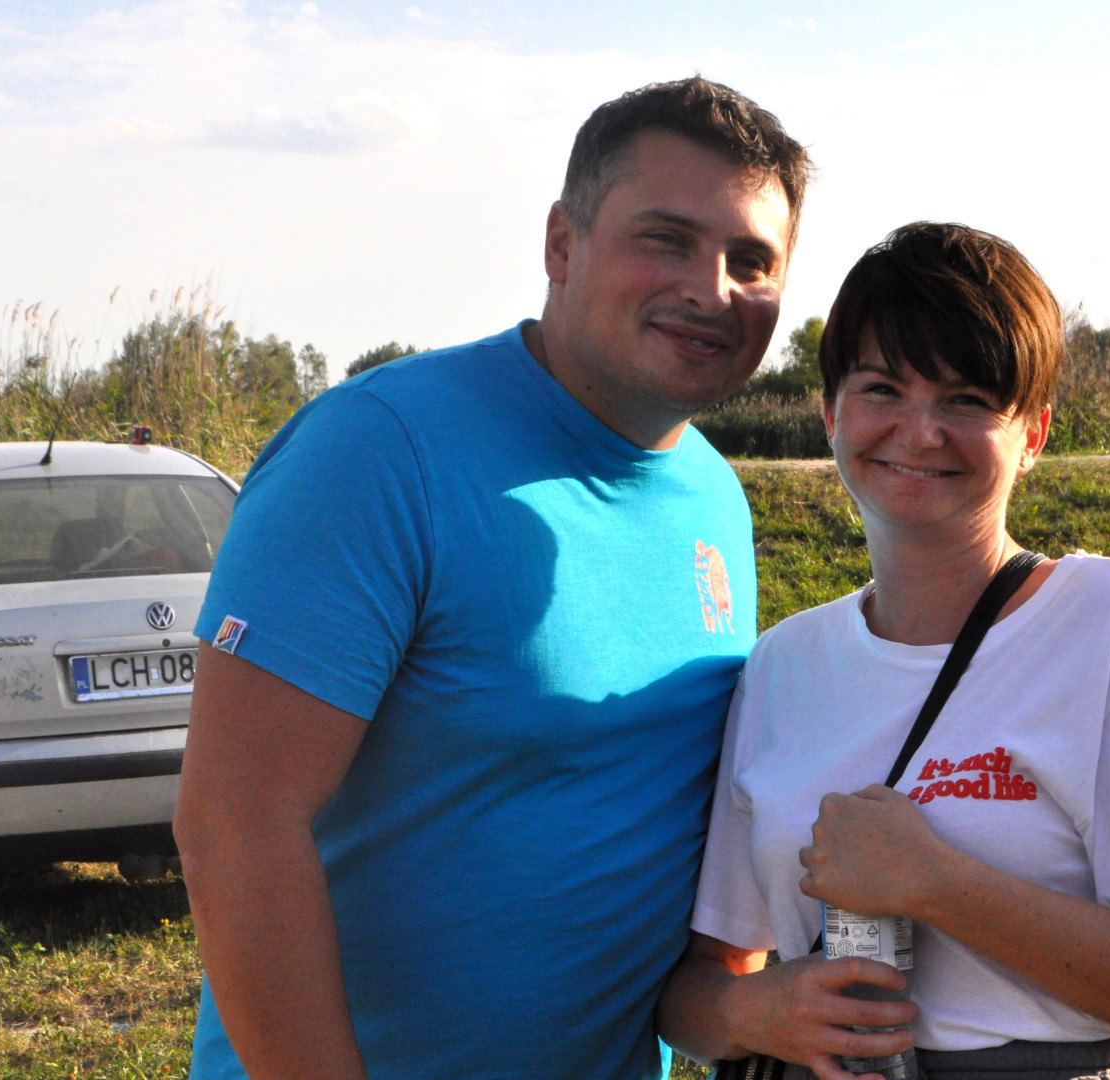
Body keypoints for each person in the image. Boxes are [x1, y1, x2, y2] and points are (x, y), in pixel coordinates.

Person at [173, 76, 811, 1080]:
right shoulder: (378, 450)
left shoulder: (714, 498)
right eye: (667, 240)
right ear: (562, 243)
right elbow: (235, 825)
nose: (712, 289)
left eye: (752, 261)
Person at [657, 222, 1110, 1080]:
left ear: (1034, 435)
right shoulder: (783, 666)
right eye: (882, 388)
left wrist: (935, 882)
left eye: (968, 400)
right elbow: (700, 988)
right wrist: (762, 1011)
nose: (920, 431)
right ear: (830, 413)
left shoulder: (1105, 622)